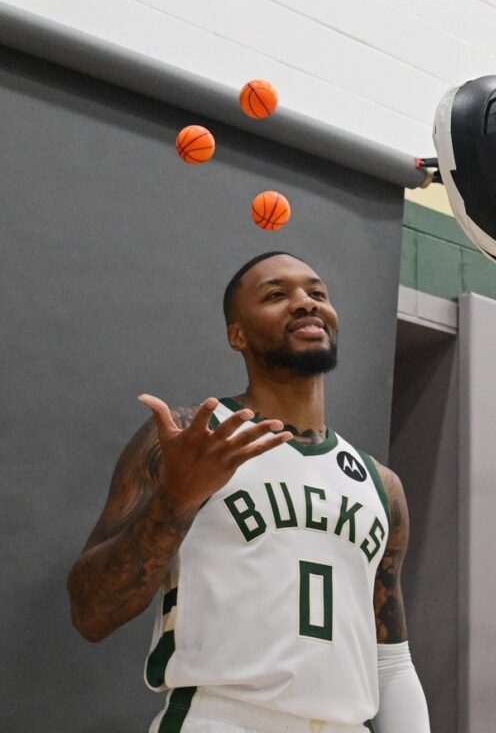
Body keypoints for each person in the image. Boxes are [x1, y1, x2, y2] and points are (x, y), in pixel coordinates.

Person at [67, 252, 430, 733]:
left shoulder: (380, 485)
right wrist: (177, 499)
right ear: (237, 334)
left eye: (317, 293)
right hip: (221, 719)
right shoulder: (187, 438)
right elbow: (92, 612)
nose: (305, 303)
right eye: (277, 295)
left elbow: (391, 662)